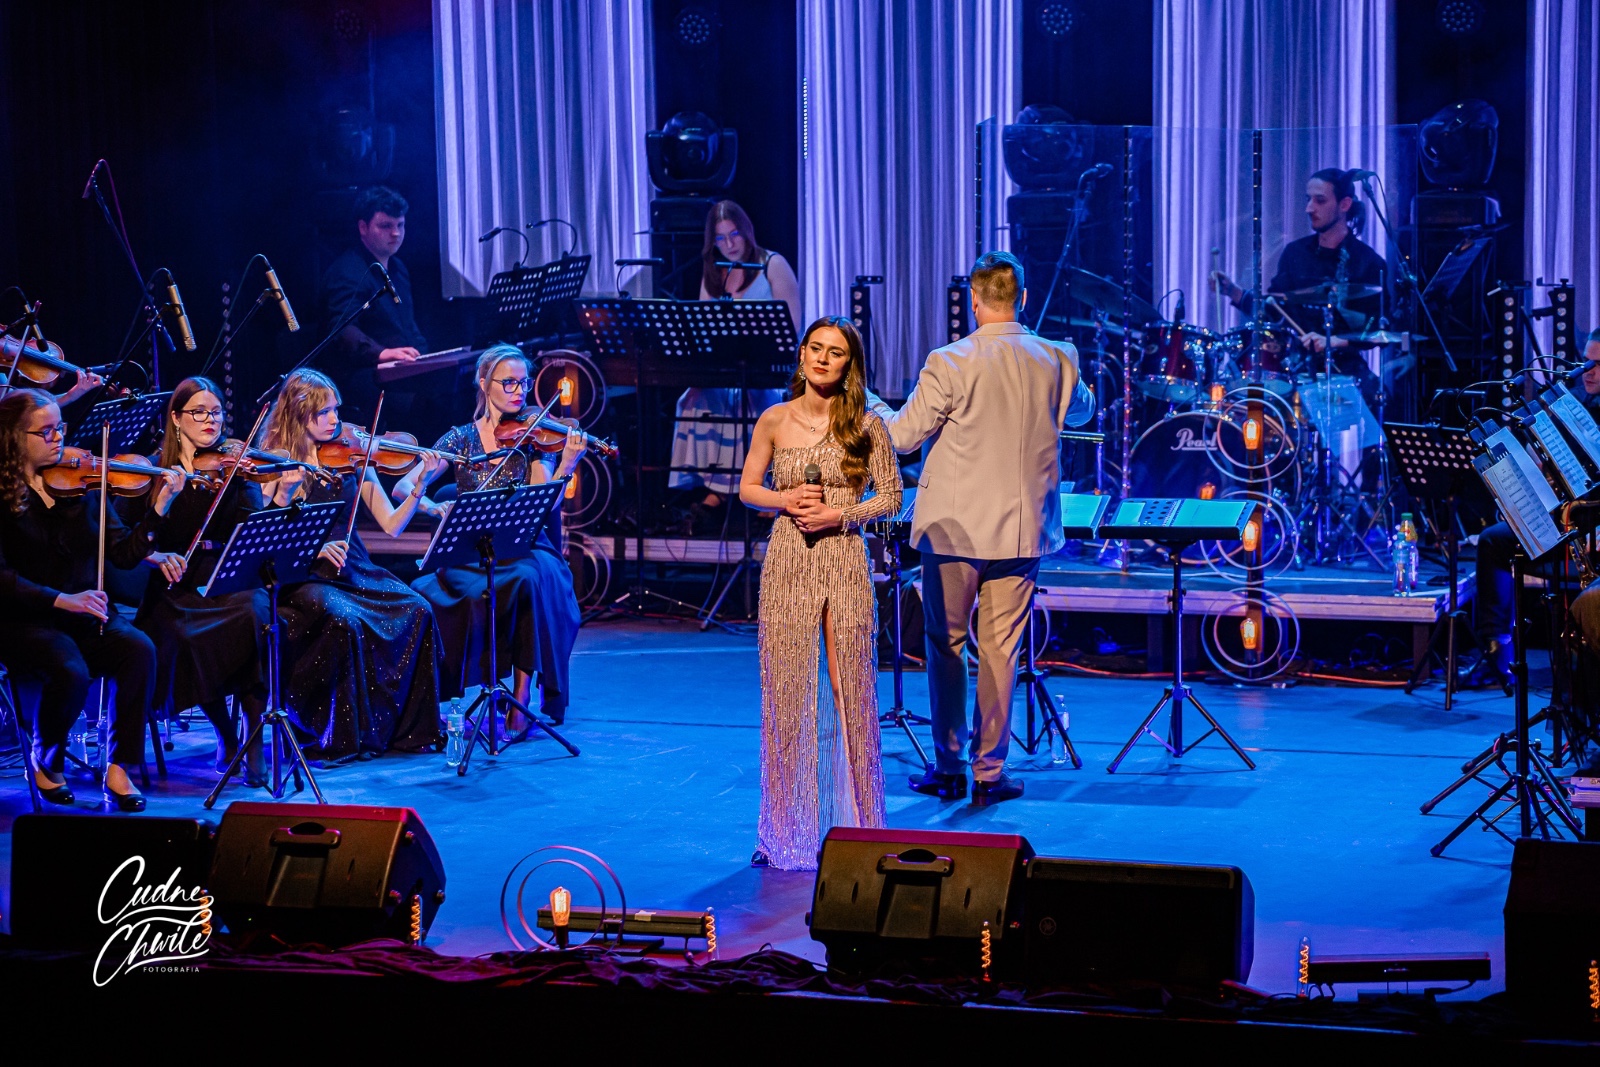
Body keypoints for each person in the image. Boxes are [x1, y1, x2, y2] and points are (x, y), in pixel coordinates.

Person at [884, 251, 1094, 806]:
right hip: (1022, 531)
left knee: (946, 644)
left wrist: (873, 411)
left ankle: (950, 765)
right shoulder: (1058, 357)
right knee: (1001, 650)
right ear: (1022, 298)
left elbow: (902, 437)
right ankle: (989, 772)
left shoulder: (949, 361)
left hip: (955, 530)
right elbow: (1082, 412)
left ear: (973, 300)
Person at [739, 316, 898, 869]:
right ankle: (784, 828)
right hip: (788, 558)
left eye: (836, 352)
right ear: (803, 354)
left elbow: (891, 497)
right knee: (787, 690)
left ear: (849, 364)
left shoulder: (867, 425)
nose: (823, 358)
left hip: (843, 557)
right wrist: (785, 500)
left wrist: (839, 514)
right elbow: (748, 487)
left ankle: (860, 823)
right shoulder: (774, 418)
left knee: (847, 684)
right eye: (816, 348)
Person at [0, 388, 186, 811]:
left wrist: (159, 509)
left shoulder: (84, 487)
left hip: (83, 615)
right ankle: (47, 755)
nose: (58, 439)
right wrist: (61, 600)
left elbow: (122, 554)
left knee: (139, 650)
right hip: (25, 621)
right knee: (71, 669)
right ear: (14, 437)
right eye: (45, 432)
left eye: (60, 429)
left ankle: (119, 768)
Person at [393, 345, 586, 731]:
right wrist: (432, 506)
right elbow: (402, 487)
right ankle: (478, 688)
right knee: (489, 585)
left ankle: (521, 697)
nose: (519, 392)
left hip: (524, 547)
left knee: (530, 579)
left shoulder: (534, 437)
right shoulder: (460, 439)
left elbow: (543, 503)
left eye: (524, 383)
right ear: (484, 384)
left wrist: (566, 463)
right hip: (469, 552)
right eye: (509, 383)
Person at [258, 369, 446, 763]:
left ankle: (406, 731)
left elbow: (392, 525)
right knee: (345, 620)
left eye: (335, 410)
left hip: (352, 565)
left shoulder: (352, 455)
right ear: (298, 415)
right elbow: (266, 536)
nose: (334, 420)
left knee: (419, 608)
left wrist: (420, 486)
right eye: (323, 413)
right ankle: (341, 735)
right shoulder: (275, 461)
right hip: (303, 574)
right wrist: (312, 544)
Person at [122, 378, 271, 783]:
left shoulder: (233, 466)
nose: (210, 420)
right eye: (199, 412)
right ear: (175, 418)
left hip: (225, 572)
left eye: (216, 412)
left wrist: (247, 486)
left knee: (256, 615)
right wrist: (155, 555)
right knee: (184, 636)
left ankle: (253, 738)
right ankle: (226, 733)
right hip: (175, 585)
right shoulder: (151, 470)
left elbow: (250, 527)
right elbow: (123, 540)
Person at [1473, 328, 1600, 690]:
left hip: (1592, 526)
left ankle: (1580, 673)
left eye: (1598, 364)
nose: (1588, 371)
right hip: (1568, 519)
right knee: (1493, 540)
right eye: (1585, 362)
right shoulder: (1573, 404)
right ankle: (1497, 651)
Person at [670, 200, 802, 527]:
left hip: (768, 369)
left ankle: (761, 489)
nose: (729, 244)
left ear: (747, 232)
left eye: (734, 235)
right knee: (693, 398)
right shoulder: (713, 272)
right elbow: (704, 329)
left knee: (754, 399)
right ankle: (718, 485)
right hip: (729, 368)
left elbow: (793, 329)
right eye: (720, 238)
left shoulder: (772, 264)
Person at [316, 185, 428, 424]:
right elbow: (343, 329)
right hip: (362, 375)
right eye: (386, 226)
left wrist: (426, 357)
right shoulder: (348, 271)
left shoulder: (398, 268)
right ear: (363, 227)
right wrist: (382, 353)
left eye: (400, 225)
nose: (396, 233)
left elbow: (408, 326)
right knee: (424, 404)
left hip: (398, 371)